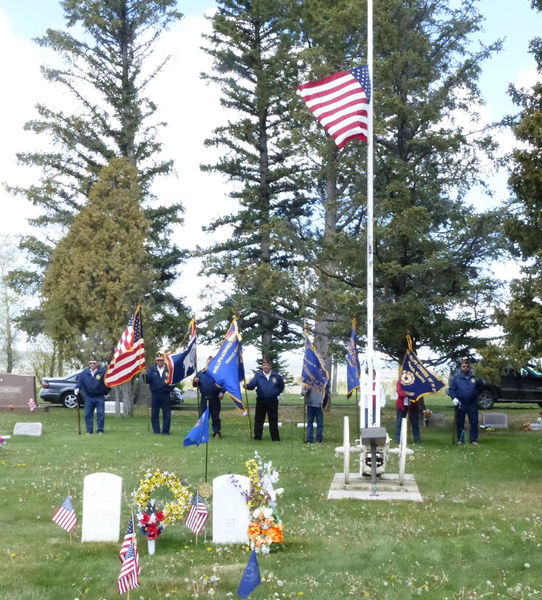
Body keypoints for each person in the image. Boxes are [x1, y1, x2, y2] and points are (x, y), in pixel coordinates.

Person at [244, 359, 285, 441]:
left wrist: (275, 393)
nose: (266, 366)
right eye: (264, 365)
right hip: (261, 400)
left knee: (273, 419)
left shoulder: (276, 376)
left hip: (273, 401)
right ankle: (257, 437)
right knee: (259, 419)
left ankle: (275, 438)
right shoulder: (258, 376)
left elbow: (281, 386)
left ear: (270, 366)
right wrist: (247, 386)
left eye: (267, 365)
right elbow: (252, 385)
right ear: (262, 366)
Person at [448, 359, 483, 445]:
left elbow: (480, 387)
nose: (465, 368)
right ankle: (460, 439)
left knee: (474, 422)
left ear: (469, 367)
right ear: (461, 367)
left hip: (472, 404)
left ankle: (473, 439)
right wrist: (454, 398)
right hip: (461, 403)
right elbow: (452, 389)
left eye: (467, 366)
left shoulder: (474, 378)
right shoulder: (456, 379)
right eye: (464, 366)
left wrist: (475, 394)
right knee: (460, 422)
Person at [193, 357, 225, 438]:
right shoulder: (201, 373)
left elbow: (224, 383)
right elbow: (194, 384)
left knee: (215, 416)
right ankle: (202, 433)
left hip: (215, 398)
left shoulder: (218, 373)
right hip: (204, 398)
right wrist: (195, 381)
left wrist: (222, 392)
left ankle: (216, 432)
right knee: (203, 417)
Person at [75, 358, 109, 435]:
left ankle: (100, 430)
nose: (92, 364)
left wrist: (106, 391)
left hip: (99, 397)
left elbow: (108, 383)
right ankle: (89, 430)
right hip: (89, 397)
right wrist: (77, 388)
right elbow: (80, 381)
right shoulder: (84, 373)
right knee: (88, 414)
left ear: (97, 363)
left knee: (100, 414)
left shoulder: (102, 372)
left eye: (94, 363)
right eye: (91, 363)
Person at [146, 355, 174, 435]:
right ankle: (156, 431)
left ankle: (165, 431)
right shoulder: (151, 369)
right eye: (158, 360)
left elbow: (173, 381)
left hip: (165, 394)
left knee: (167, 414)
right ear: (156, 361)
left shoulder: (168, 369)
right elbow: (147, 380)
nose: (159, 361)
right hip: (155, 394)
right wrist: (144, 375)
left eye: (161, 360)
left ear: (164, 361)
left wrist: (170, 389)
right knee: (154, 414)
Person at [394, 379, 421, 444]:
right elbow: (400, 393)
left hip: (413, 405)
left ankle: (417, 439)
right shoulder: (400, 381)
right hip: (401, 405)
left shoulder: (415, 381)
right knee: (399, 422)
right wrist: (408, 393)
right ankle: (398, 439)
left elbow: (417, 392)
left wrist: (408, 393)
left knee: (415, 423)